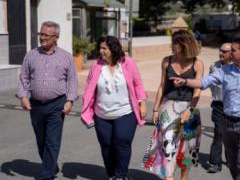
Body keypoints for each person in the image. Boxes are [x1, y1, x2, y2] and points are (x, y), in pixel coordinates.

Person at [171, 37, 240, 180]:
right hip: (227, 122)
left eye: (233, 51)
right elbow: (204, 82)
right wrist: (185, 81)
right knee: (233, 164)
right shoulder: (224, 70)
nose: (230, 53)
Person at [17, 21, 78, 180]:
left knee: (52, 141)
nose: (42, 38)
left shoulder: (66, 57)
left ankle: (46, 175)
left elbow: (72, 80)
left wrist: (70, 100)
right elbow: (23, 76)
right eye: (41, 34)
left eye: (46, 35)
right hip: (36, 105)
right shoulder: (31, 55)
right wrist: (23, 96)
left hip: (57, 104)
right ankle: (50, 165)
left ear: (56, 37)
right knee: (41, 140)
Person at [81, 36, 147, 180]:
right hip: (102, 114)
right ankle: (111, 174)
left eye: (104, 48)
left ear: (113, 49)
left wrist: (142, 101)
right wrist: (86, 109)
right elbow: (89, 89)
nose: (101, 51)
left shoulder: (127, 63)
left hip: (126, 112)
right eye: (100, 48)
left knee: (122, 142)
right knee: (106, 146)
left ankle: (121, 175)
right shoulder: (96, 65)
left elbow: (138, 84)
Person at [142, 30, 203, 180]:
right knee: (168, 146)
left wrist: (190, 109)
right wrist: (155, 109)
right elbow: (162, 86)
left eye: (175, 43)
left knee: (186, 151)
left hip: (190, 108)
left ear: (184, 45)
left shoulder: (197, 64)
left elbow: (197, 91)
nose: (171, 46)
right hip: (168, 107)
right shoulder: (166, 61)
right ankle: (169, 177)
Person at [207, 43, 232, 173]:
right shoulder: (214, 66)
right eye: (220, 50)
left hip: (233, 107)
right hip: (218, 106)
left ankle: (231, 159)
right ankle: (215, 163)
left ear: (231, 53)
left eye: (224, 51)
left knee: (231, 135)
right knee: (219, 133)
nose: (221, 53)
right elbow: (210, 83)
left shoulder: (236, 67)